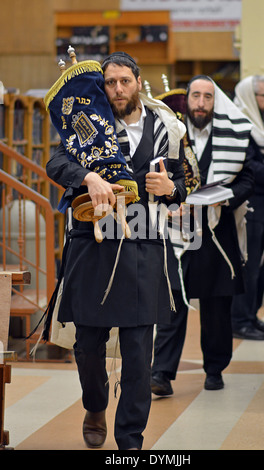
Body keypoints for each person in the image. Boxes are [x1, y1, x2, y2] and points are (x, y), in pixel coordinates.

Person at [45, 51, 187, 450]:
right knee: (88, 345)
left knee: (139, 356)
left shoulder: (167, 127)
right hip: (92, 243)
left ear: (138, 81)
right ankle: (95, 404)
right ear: (101, 84)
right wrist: (88, 175)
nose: (118, 89)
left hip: (144, 245)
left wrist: (172, 190)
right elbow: (55, 164)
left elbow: (182, 183)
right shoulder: (85, 122)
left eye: (125, 81)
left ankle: (130, 441)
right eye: (110, 82)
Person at [151, 75, 254, 395]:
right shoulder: (170, 135)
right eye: (195, 96)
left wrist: (227, 197)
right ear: (187, 99)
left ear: (215, 101)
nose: (200, 103)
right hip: (177, 230)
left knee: (216, 305)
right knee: (172, 303)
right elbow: (154, 176)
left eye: (207, 97)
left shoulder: (233, 137)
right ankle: (162, 374)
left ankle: (214, 369)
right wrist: (169, 203)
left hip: (216, 229)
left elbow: (247, 179)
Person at [231, 75, 264, 340]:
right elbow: (248, 166)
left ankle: (251, 315)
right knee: (248, 265)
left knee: (262, 264)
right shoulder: (240, 124)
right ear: (251, 98)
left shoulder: (261, 123)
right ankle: (239, 320)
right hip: (248, 204)